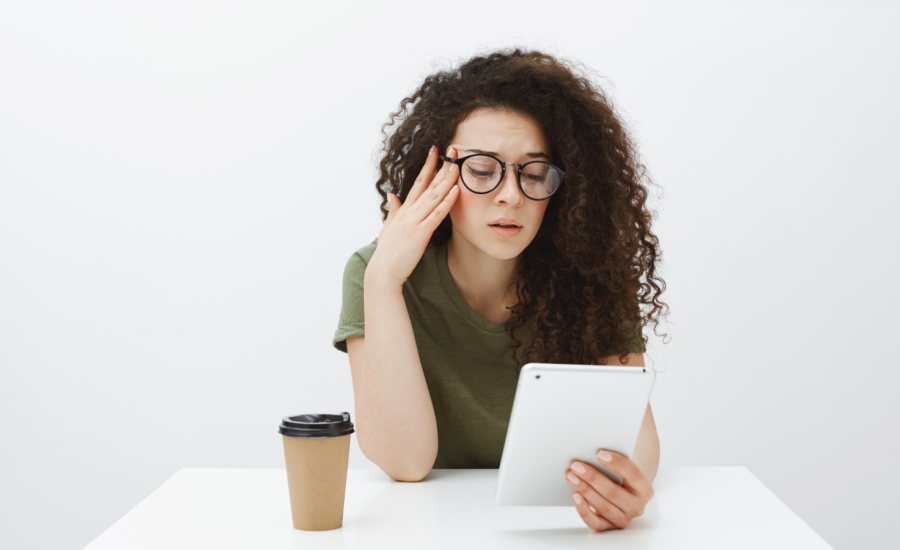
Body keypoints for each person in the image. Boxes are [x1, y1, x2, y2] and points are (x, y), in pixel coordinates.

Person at [332, 48, 670, 532]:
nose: (510, 195)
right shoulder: (374, 272)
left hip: (554, 529)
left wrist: (619, 492)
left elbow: (637, 451)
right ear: (437, 172)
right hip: (429, 530)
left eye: (533, 173)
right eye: (481, 169)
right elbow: (405, 462)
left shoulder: (594, 276)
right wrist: (384, 281)